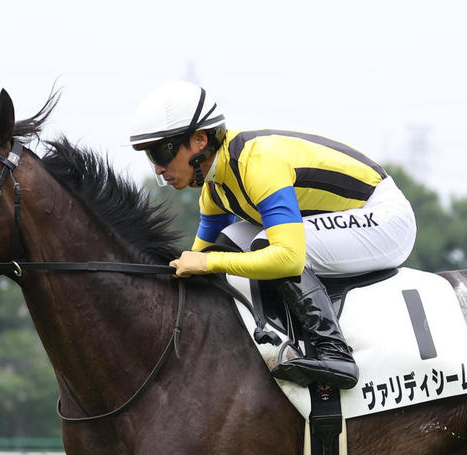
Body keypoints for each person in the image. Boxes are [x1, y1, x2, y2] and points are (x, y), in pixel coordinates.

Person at [129, 81, 417, 390]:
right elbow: (197, 261)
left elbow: (288, 259)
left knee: (268, 247)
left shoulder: (256, 165)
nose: (158, 168)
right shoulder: (215, 189)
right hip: (344, 217)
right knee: (228, 241)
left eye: (162, 151)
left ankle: (335, 353)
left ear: (200, 140)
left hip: (385, 219)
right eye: (150, 156)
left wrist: (209, 262)